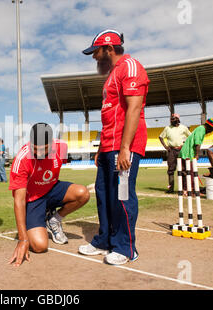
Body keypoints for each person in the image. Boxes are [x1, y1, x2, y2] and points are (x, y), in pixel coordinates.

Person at [79, 29, 150, 266]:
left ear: (108, 49)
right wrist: (102, 148)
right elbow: (111, 116)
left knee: (122, 196)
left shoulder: (131, 67)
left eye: (96, 52)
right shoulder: (112, 74)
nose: (94, 57)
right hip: (109, 146)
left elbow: (134, 108)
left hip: (124, 146)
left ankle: (126, 248)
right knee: (104, 195)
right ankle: (105, 241)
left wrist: (125, 148)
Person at [8, 123, 90, 267]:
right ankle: (41, 215)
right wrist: (22, 239)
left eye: (44, 149)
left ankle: (54, 219)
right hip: (34, 200)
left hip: (52, 189)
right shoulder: (22, 159)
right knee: (39, 246)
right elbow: (19, 201)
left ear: (51, 144)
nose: (39, 152)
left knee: (83, 193)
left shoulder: (61, 147)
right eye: (35, 148)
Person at [159, 114, 191, 193]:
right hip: (171, 151)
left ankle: (184, 189)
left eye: (174, 119)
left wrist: (185, 145)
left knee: (183, 170)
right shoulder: (167, 128)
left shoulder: (183, 127)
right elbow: (160, 137)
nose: (172, 120)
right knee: (170, 170)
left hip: (181, 150)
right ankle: (171, 189)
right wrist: (165, 147)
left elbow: (190, 137)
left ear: (178, 119)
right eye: (171, 119)